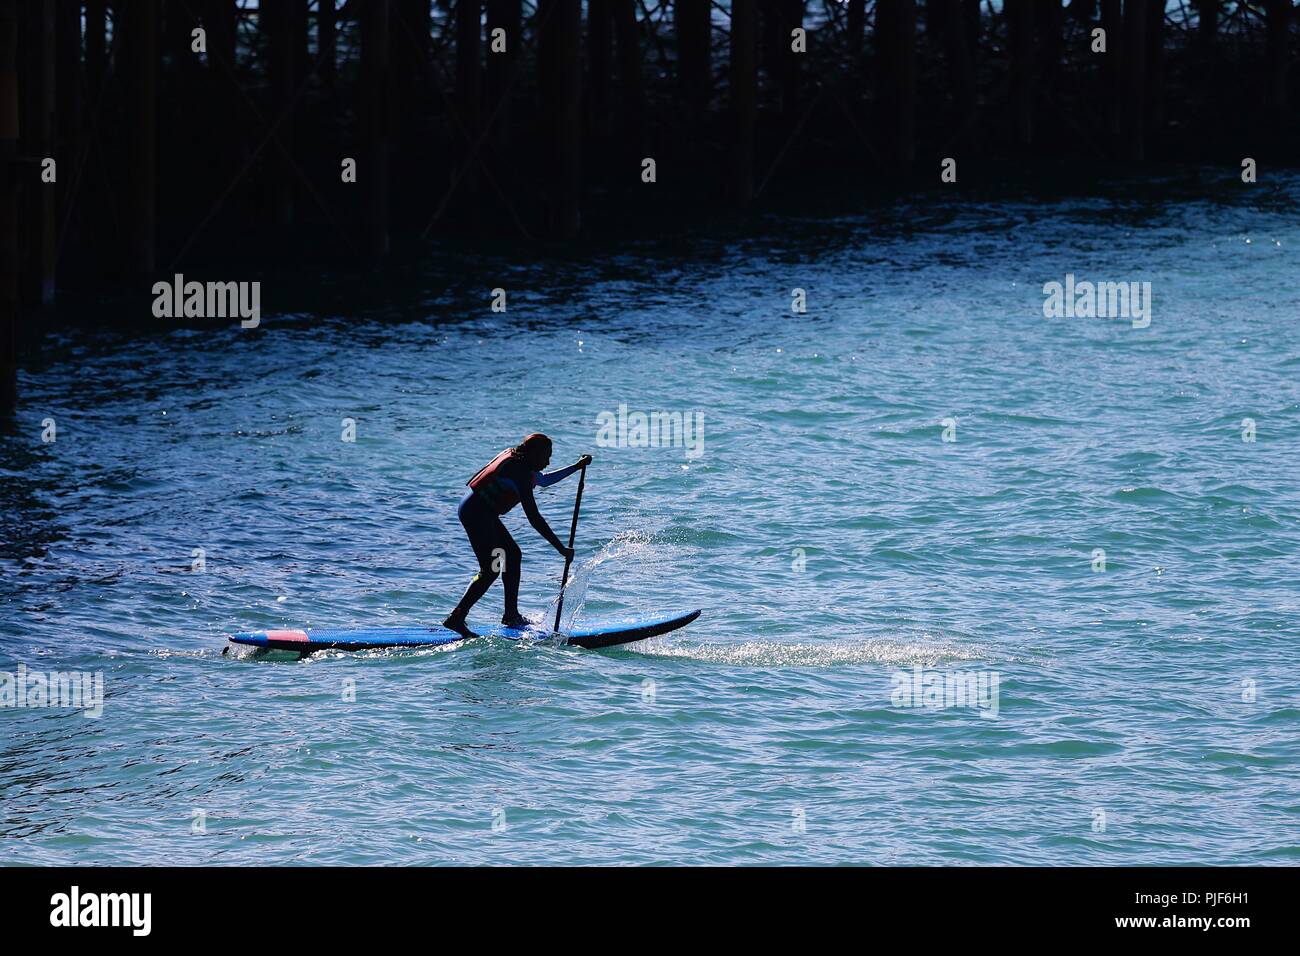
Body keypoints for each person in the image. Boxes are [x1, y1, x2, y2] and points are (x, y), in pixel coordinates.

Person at [443, 433, 591, 637]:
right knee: (491, 569)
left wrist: (576, 467)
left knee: (513, 555)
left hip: (484, 513)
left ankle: (511, 615)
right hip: (476, 514)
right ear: (533, 453)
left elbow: (544, 480)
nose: (548, 462)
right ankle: (456, 617)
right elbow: (534, 518)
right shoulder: (519, 472)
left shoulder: (520, 460)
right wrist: (560, 548)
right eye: (546, 456)